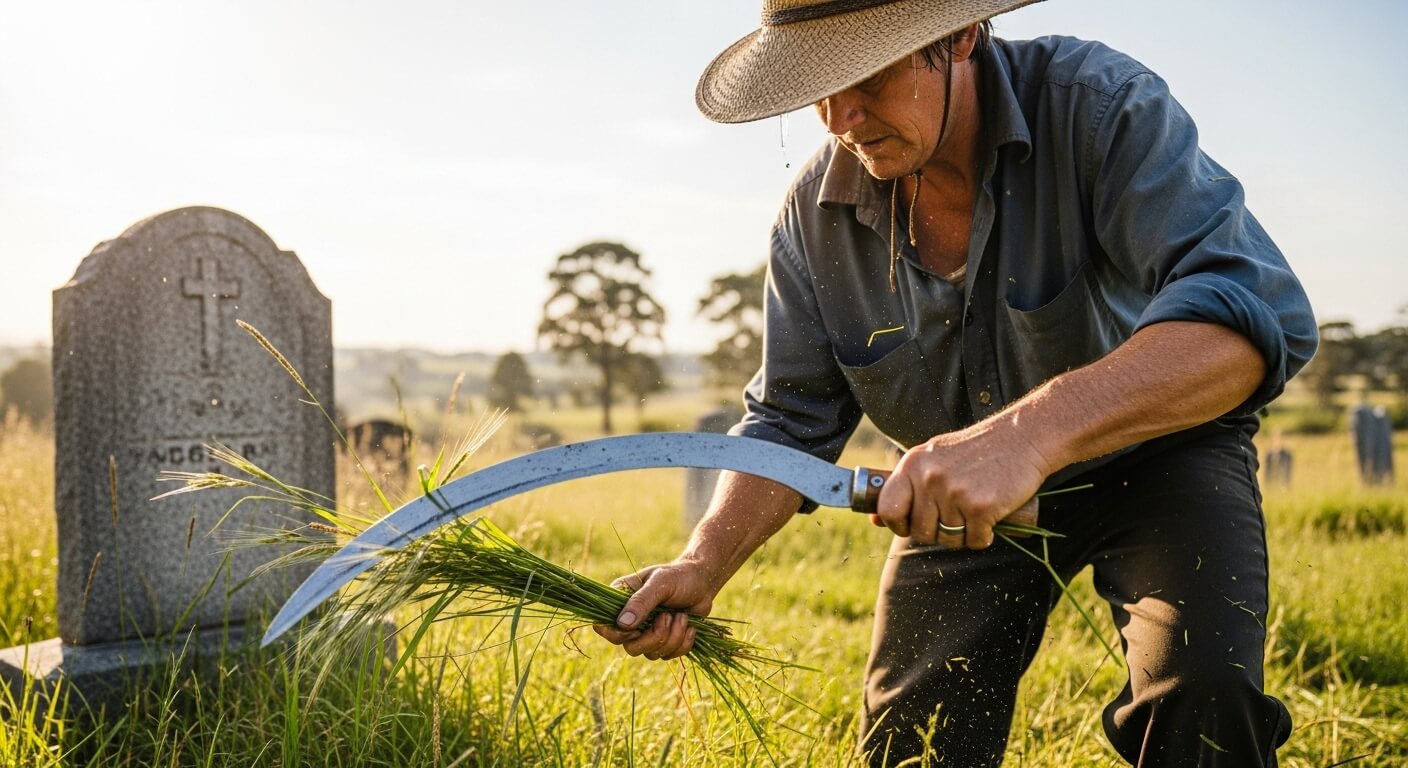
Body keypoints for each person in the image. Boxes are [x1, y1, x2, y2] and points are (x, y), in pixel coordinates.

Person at [594, 1, 1318, 765]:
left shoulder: (1099, 108)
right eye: (818, 88)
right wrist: (703, 563)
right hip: (955, 498)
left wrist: (1021, 440)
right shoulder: (815, 219)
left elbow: (1253, 318)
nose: (841, 117)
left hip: (1159, 456)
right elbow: (787, 421)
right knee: (914, 737)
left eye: (865, 74)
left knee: (1201, 701)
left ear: (959, 34)